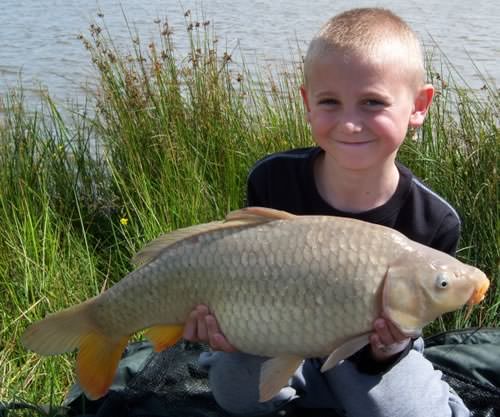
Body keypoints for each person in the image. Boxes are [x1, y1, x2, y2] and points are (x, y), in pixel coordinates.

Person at [183, 8, 469, 417]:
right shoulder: (272, 178)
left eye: (372, 102)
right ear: (307, 102)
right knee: (235, 391)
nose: (350, 124)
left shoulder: (434, 219)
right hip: (277, 333)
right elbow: (237, 273)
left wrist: (387, 351)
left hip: (370, 357)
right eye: (330, 102)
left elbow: (405, 328)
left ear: (419, 105)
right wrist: (224, 327)